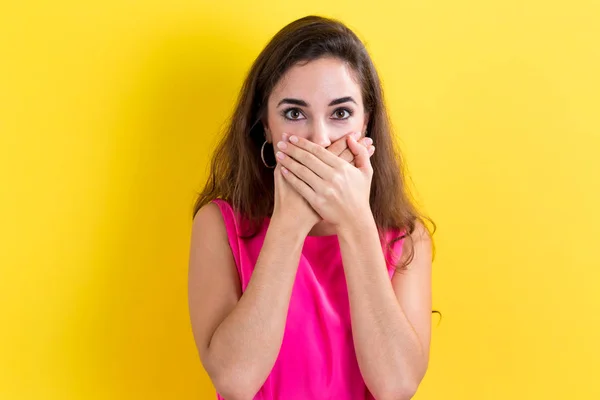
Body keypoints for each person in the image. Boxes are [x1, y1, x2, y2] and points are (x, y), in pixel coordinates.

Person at [188, 15, 433, 400]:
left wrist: (355, 224)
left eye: (340, 113)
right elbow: (234, 382)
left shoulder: (406, 238)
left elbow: (397, 387)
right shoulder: (218, 226)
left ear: (366, 123)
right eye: (294, 114)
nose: (319, 140)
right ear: (265, 126)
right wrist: (290, 224)